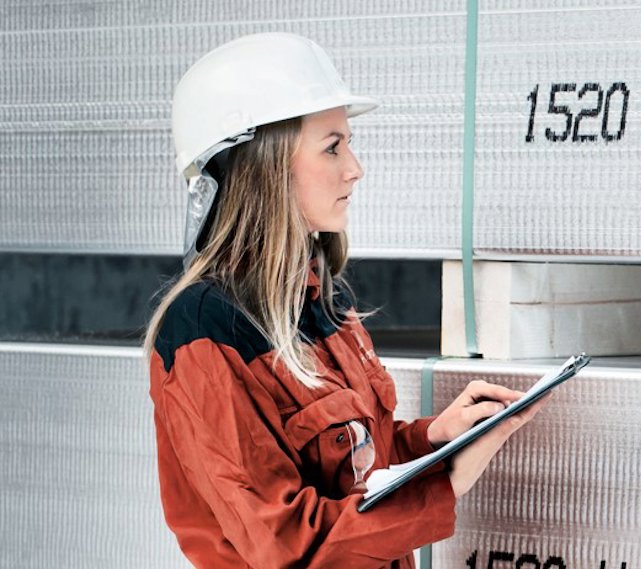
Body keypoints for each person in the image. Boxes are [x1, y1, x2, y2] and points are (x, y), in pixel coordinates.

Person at [143, 32, 538, 568]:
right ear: (266, 165)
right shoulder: (204, 330)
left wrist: (434, 440)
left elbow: (354, 468)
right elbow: (286, 546)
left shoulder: (321, 302)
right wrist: (449, 482)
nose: (355, 168)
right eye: (332, 146)